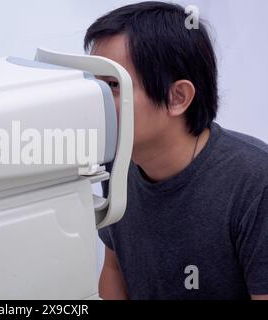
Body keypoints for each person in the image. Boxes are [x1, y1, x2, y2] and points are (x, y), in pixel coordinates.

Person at [84, 1, 268, 299]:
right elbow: (115, 270)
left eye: (112, 85)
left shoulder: (256, 183)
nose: (94, 99)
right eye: (93, 83)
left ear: (177, 97)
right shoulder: (116, 165)